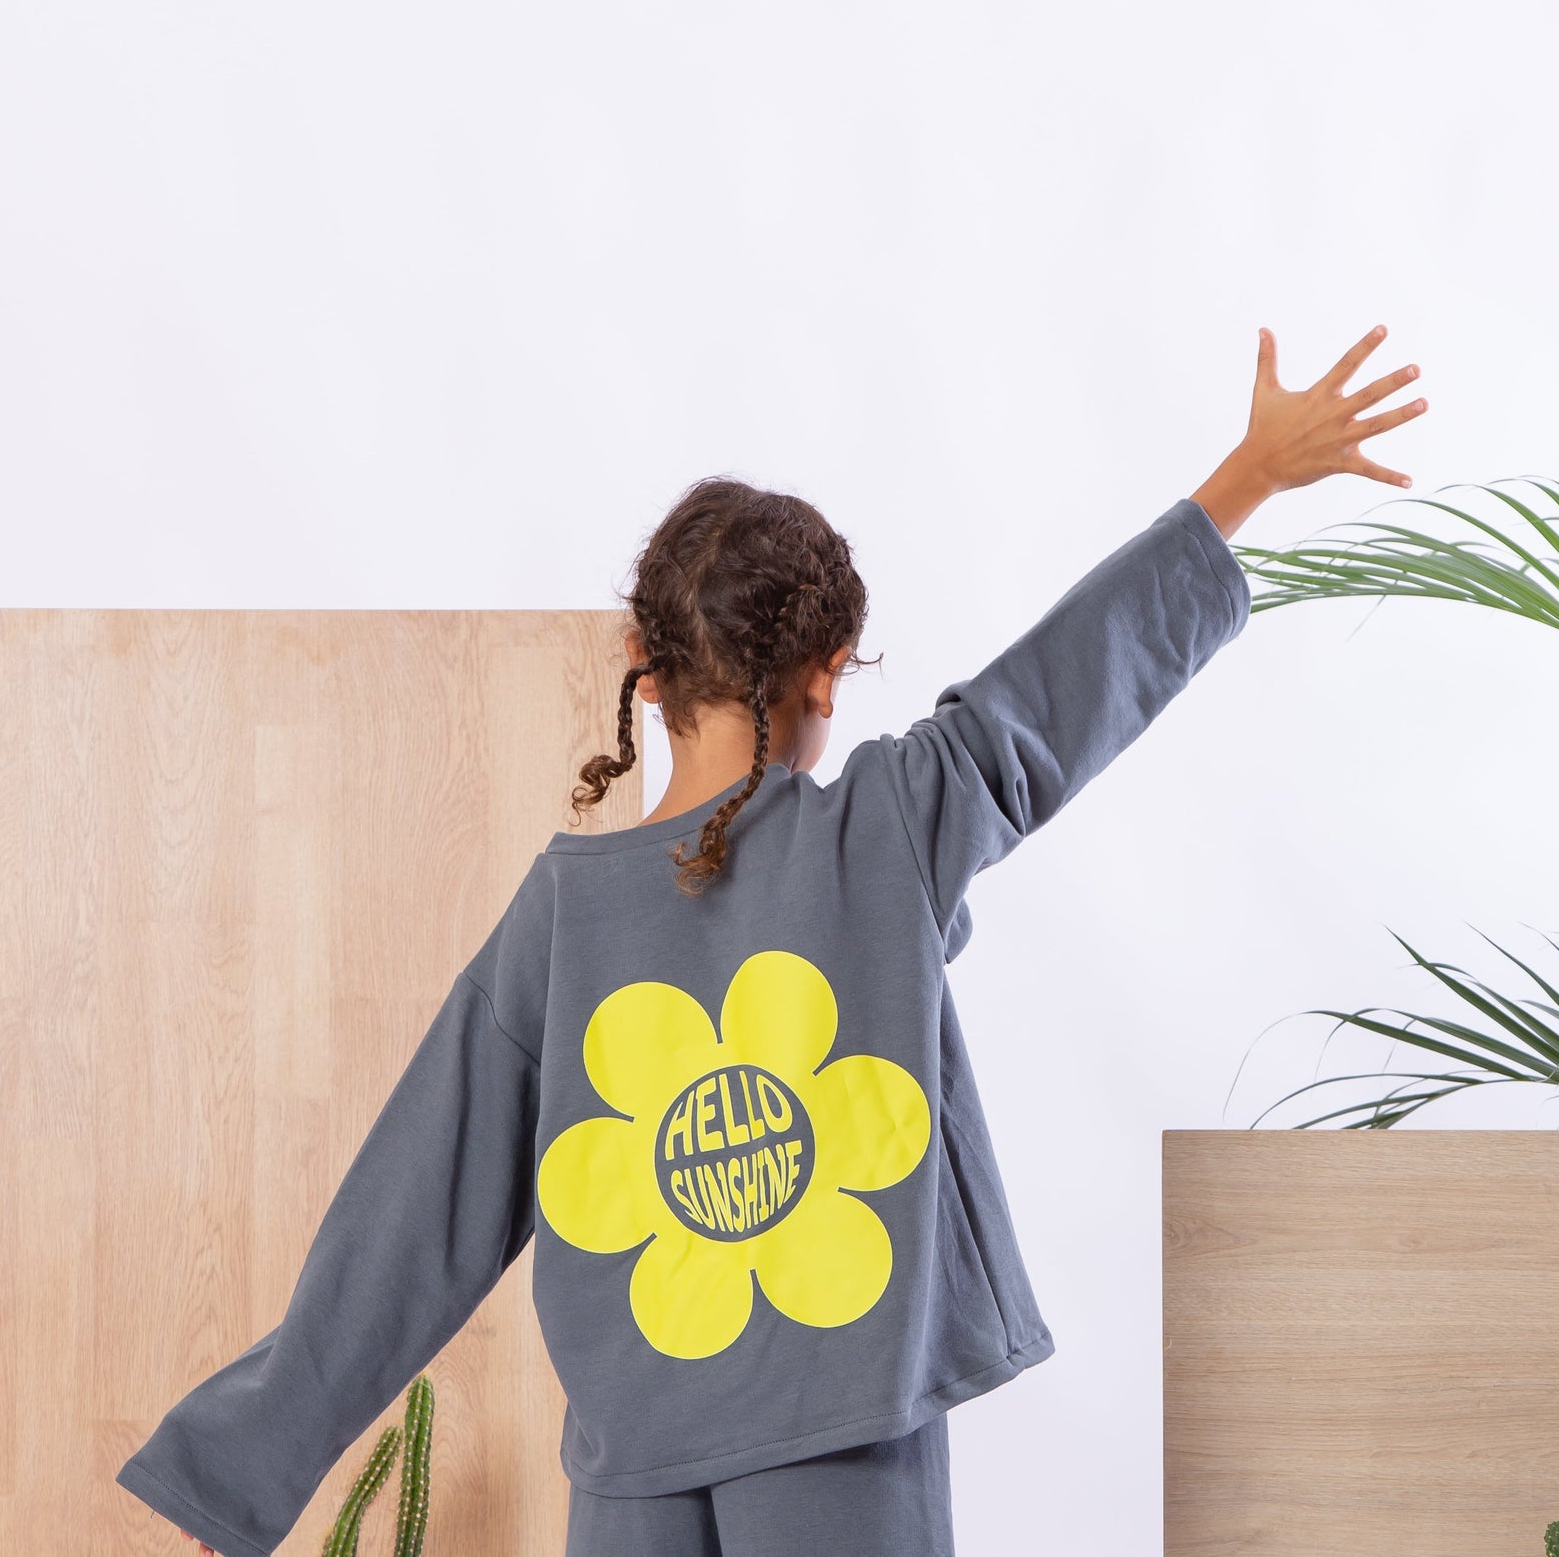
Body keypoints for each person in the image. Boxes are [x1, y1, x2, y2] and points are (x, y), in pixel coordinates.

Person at [126, 324, 1427, 1557]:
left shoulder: (565, 913)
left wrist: (240, 1473)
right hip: (842, 1433)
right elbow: (1060, 694)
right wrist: (1249, 477)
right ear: (828, 670)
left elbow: (418, 1200)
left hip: (632, 1462)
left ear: (643, 665)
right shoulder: (889, 824)